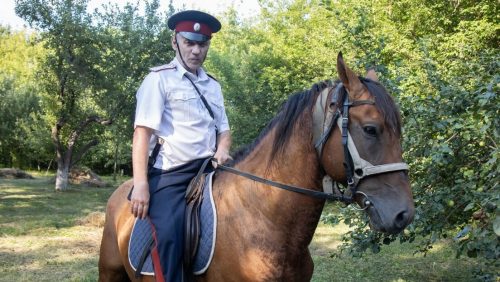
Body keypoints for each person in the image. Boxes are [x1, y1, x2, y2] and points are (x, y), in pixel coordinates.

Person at [130, 10, 231, 282]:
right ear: (175, 41)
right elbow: (142, 135)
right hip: (171, 175)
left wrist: (222, 150)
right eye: (190, 42)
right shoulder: (158, 80)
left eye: (203, 44)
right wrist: (140, 184)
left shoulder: (213, 86)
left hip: (210, 171)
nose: (196, 50)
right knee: (169, 233)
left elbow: (224, 129)